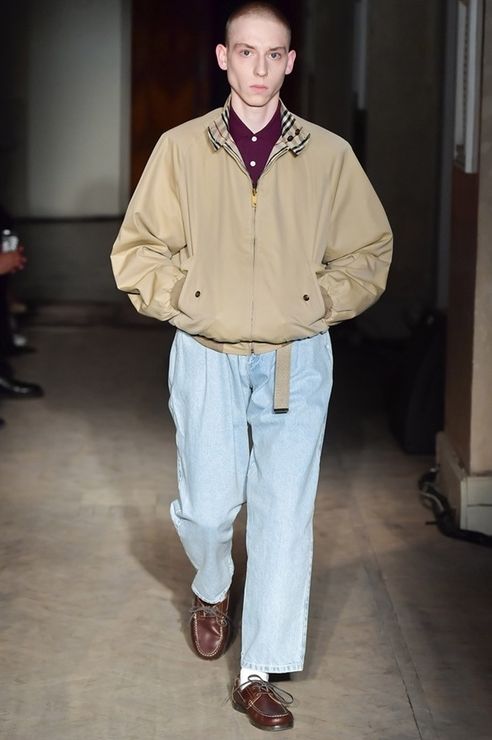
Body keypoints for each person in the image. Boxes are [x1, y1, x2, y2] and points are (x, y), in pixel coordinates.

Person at [111, 2, 392, 731]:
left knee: (283, 513)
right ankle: (212, 586)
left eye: (273, 54)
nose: (259, 68)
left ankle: (258, 671)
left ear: (290, 63)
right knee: (208, 508)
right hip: (206, 352)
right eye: (246, 52)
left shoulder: (328, 156)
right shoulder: (181, 149)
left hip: (297, 357)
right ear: (223, 57)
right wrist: (191, 300)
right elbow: (136, 251)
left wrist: (312, 303)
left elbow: (369, 252)